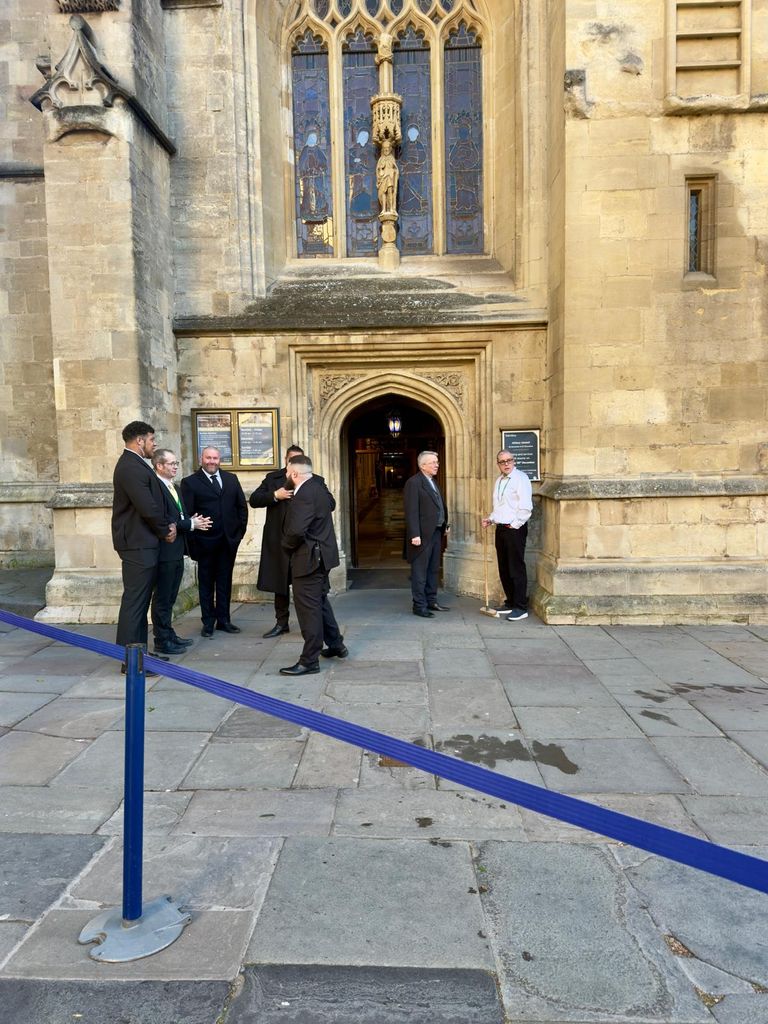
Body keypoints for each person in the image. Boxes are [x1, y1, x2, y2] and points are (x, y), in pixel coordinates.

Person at [111, 421, 176, 672]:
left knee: (140, 602)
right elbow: (147, 506)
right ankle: (130, 662)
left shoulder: (136, 464)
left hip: (144, 542)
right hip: (137, 544)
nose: (154, 444)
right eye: (151, 439)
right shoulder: (130, 466)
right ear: (139, 441)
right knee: (135, 603)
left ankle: (140, 655)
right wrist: (165, 530)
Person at [279, 454, 346, 676]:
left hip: (308, 559)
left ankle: (309, 660)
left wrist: (286, 546)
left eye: (288, 472)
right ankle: (336, 644)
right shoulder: (318, 488)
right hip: (321, 557)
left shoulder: (304, 493)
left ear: (295, 474)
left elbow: (296, 531)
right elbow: (329, 506)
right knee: (319, 601)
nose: (286, 476)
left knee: (308, 609)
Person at [181, 446, 248, 638]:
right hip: (205, 543)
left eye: (215, 458)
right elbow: (187, 514)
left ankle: (224, 620)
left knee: (225, 582)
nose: (212, 461)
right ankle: (208, 622)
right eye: (208, 458)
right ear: (201, 459)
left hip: (228, 542)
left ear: (220, 460)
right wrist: (194, 541)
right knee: (206, 584)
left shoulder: (231, 479)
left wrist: (238, 534)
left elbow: (241, 508)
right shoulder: (190, 482)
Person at [150, 449, 211, 655]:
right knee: (163, 597)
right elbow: (164, 520)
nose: (176, 466)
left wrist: (191, 520)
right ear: (159, 466)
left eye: (176, 463)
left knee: (171, 596)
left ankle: (169, 634)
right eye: (171, 463)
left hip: (177, 549)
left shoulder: (174, 486)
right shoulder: (156, 487)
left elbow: (180, 515)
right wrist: (190, 524)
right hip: (165, 550)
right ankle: (162, 639)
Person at [248, 444, 305, 639]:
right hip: (278, 540)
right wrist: (275, 495)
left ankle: (308, 625)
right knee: (279, 583)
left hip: (302, 541)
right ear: (286, 461)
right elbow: (254, 499)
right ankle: (282, 623)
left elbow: (330, 503)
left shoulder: (312, 479)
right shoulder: (273, 479)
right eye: (292, 460)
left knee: (304, 586)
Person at [482, 450, 533, 621]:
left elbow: (526, 506)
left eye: (509, 460)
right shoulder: (499, 480)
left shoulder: (521, 478)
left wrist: (515, 524)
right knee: (504, 567)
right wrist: (491, 519)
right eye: (502, 461)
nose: (506, 463)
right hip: (501, 528)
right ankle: (510, 602)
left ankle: (521, 607)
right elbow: (501, 507)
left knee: (516, 568)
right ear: (498, 464)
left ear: (514, 461)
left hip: (514, 529)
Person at [403, 451, 450, 618]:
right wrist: (414, 534)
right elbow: (411, 511)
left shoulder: (432, 481)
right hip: (421, 536)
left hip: (436, 533)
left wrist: (445, 524)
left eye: (437, 462)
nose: (437, 465)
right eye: (433, 462)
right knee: (420, 572)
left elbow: (439, 505)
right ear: (423, 465)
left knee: (432, 570)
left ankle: (431, 601)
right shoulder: (414, 483)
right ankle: (419, 605)